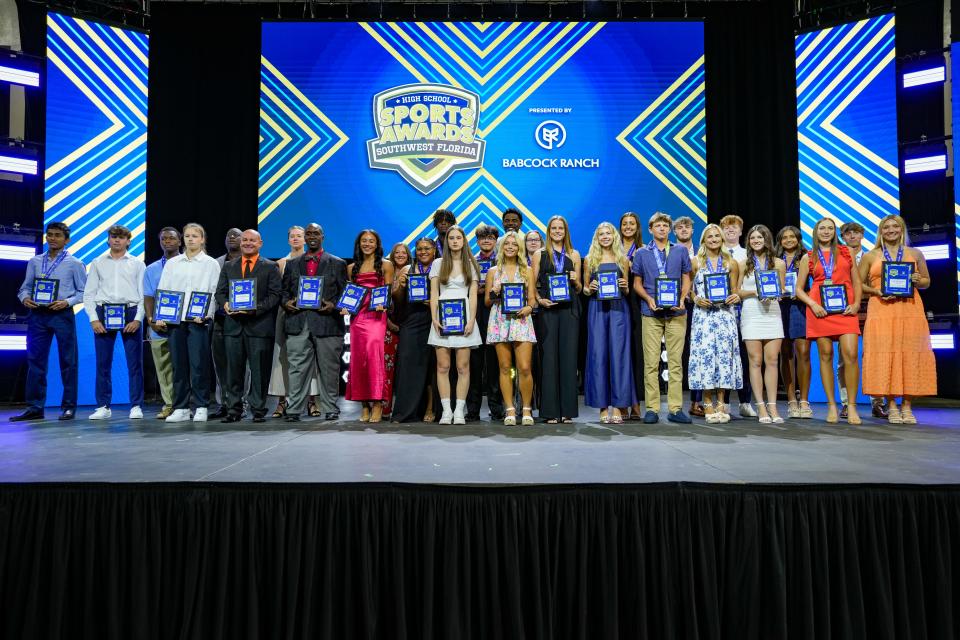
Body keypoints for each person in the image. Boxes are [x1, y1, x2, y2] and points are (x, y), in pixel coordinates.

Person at [859, 215, 936, 424]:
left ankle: (907, 406)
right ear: (881, 231)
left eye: (895, 226)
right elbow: (857, 285)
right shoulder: (870, 255)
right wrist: (877, 291)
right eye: (886, 227)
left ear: (902, 230)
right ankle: (891, 405)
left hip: (910, 310)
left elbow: (927, 281)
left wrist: (919, 280)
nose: (891, 230)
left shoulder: (915, 253)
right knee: (887, 355)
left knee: (910, 354)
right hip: (881, 310)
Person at [11, 222, 86, 422]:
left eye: (57, 235)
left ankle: (69, 407)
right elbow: (24, 288)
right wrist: (25, 298)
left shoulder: (75, 263)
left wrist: (66, 302)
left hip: (62, 314)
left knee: (68, 362)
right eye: (50, 235)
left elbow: (83, 292)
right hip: (38, 315)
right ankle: (35, 407)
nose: (52, 238)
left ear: (66, 239)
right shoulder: (35, 261)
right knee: (35, 361)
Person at [794, 217, 863, 424]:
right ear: (816, 232)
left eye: (830, 228)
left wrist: (857, 303)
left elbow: (857, 282)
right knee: (825, 355)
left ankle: (851, 406)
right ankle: (831, 405)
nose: (826, 232)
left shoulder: (846, 252)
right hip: (820, 310)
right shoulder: (809, 256)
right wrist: (813, 305)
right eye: (822, 228)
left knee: (851, 354)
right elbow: (798, 289)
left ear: (835, 232)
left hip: (845, 310)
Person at [280, 223, 347, 422]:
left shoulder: (337, 263)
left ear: (322, 237)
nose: (311, 236)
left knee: (329, 369)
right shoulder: (292, 264)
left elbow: (344, 294)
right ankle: (294, 410)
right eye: (308, 233)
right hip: (298, 321)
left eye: (315, 233)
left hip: (327, 323)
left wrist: (333, 306)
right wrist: (287, 303)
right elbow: (283, 292)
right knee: (297, 368)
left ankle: (330, 408)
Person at [214, 229, 282, 423]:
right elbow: (220, 293)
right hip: (233, 327)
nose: (247, 243)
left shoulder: (270, 266)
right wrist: (226, 304)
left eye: (252, 240)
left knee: (260, 371)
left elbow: (275, 296)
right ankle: (234, 409)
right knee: (233, 372)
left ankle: (258, 409)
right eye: (245, 240)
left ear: (260, 243)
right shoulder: (229, 266)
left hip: (259, 327)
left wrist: (254, 310)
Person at [156, 223, 221, 423]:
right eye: (187, 236)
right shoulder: (173, 263)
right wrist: (160, 314)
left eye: (195, 236)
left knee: (199, 364)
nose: (190, 239)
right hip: (176, 320)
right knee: (178, 365)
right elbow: (163, 289)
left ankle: (201, 405)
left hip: (198, 320)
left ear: (202, 239)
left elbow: (213, 292)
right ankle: (181, 407)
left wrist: (207, 315)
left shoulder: (211, 264)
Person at [633, 212, 693, 424]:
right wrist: (648, 299)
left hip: (677, 312)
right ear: (651, 229)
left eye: (665, 226)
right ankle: (652, 408)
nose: (662, 229)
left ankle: (676, 408)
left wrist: (683, 297)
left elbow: (687, 277)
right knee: (651, 362)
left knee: (675, 362)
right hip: (651, 312)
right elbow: (636, 283)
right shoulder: (642, 253)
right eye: (658, 226)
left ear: (669, 229)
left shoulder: (680, 251)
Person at [83, 225, 146, 420]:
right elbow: (89, 294)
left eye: (121, 237)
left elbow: (144, 294)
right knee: (103, 363)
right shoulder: (97, 262)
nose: (117, 240)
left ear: (128, 240)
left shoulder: (137, 264)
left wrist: (137, 319)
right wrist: (94, 319)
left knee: (134, 364)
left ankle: (136, 405)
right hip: (104, 311)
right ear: (108, 240)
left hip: (130, 311)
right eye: (113, 237)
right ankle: (103, 406)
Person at [688, 224, 742, 423]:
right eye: (709, 237)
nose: (713, 240)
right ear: (703, 240)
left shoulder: (732, 263)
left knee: (724, 358)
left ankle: (722, 402)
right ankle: (707, 400)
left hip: (724, 316)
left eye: (716, 236)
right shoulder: (695, 262)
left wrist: (735, 297)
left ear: (722, 239)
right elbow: (689, 290)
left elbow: (735, 290)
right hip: (703, 317)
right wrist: (695, 299)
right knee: (706, 358)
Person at [428, 225, 482, 424]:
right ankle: (446, 411)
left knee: (463, 366)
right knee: (443, 366)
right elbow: (434, 293)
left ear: (464, 240)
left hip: (465, 316)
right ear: (447, 241)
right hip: (442, 318)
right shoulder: (438, 263)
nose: (455, 241)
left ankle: (459, 410)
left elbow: (473, 295)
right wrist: (434, 317)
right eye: (451, 238)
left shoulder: (471, 263)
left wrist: (471, 320)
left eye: (458, 237)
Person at [583, 222, 635, 423]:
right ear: (597, 237)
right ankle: (603, 407)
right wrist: (591, 287)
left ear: (614, 236)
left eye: (608, 233)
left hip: (618, 310)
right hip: (597, 309)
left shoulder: (624, 260)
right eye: (601, 234)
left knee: (619, 356)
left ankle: (620, 406)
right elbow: (586, 290)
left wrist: (624, 286)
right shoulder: (590, 260)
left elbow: (628, 290)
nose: (605, 236)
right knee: (599, 356)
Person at [532, 215, 582, 424]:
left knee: (569, 359)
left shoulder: (574, 254)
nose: (557, 231)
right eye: (554, 228)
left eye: (561, 228)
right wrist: (539, 300)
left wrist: (575, 281)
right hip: (548, 311)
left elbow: (579, 288)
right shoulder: (539, 254)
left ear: (566, 231)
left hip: (569, 311)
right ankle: (550, 411)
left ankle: (567, 411)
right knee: (549, 359)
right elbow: (532, 284)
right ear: (549, 231)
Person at [268, 226, 321, 418]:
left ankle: (312, 401)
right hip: (287, 314)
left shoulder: (314, 261)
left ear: (305, 239)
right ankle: (282, 402)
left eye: (300, 236)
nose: (296, 239)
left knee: (310, 357)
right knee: (283, 358)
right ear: (288, 240)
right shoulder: (281, 263)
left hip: (311, 314)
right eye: (293, 236)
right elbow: (278, 291)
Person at [484, 231, 537, 425]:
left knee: (524, 367)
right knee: (505, 367)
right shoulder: (492, 272)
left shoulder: (527, 271)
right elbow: (487, 302)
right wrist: (494, 291)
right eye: (507, 244)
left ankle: (527, 409)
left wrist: (529, 308)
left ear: (519, 248)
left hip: (521, 319)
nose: (510, 247)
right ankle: (509, 410)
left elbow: (532, 298)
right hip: (500, 320)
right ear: (501, 247)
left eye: (514, 244)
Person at [344, 230, 394, 423]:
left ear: (377, 244)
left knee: (374, 357)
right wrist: (346, 308)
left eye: (371, 241)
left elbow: (387, 292)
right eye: (364, 241)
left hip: (377, 316)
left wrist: (385, 304)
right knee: (358, 361)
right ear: (359, 244)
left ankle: (378, 404)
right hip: (358, 318)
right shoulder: (351, 268)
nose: (367, 244)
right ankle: (364, 404)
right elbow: (351, 294)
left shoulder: (385, 265)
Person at [736, 225, 786, 424]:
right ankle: (761, 407)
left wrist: (775, 294)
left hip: (772, 313)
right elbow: (736, 291)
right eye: (752, 238)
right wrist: (755, 292)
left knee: (772, 360)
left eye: (760, 237)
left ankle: (773, 405)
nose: (756, 241)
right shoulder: (742, 264)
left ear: (767, 239)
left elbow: (781, 289)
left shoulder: (779, 264)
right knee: (755, 361)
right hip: (751, 313)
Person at [839, 221, 887, 419]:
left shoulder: (873, 257)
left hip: (873, 308)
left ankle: (878, 403)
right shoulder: (836, 257)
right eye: (848, 233)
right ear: (843, 237)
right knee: (844, 360)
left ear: (862, 235)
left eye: (856, 233)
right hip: (846, 310)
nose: (852, 236)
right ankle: (845, 403)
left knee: (875, 356)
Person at [391, 238, 438, 422]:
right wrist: (400, 287)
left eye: (427, 248)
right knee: (408, 364)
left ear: (434, 250)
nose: (423, 252)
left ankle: (431, 408)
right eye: (419, 249)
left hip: (434, 319)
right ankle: (406, 411)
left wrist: (433, 302)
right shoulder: (407, 270)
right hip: (411, 320)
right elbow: (398, 301)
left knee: (433, 367)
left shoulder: (440, 268)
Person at [719, 214, 757, 418]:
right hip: (721, 312)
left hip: (746, 312)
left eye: (734, 227)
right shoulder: (715, 253)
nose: (730, 230)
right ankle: (723, 403)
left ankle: (745, 401)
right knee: (724, 358)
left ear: (742, 231)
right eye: (726, 227)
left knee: (745, 357)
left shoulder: (748, 255)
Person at [143, 227, 182, 419]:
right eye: (163, 239)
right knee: (164, 369)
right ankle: (169, 404)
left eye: (171, 238)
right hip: (159, 326)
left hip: (183, 325)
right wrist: (151, 320)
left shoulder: (188, 264)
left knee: (184, 366)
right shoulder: (151, 269)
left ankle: (184, 404)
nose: (167, 242)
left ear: (180, 241)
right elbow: (148, 296)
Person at [775, 226, 813, 419]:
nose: (788, 240)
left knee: (804, 352)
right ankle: (791, 400)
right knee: (786, 353)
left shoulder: (807, 257)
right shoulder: (775, 259)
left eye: (792, 237)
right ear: (780, 241)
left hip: (800, 307)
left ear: (798, 239)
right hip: (780, 307)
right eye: (784, 237)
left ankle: (804, 400)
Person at [468, 224, 504, 422]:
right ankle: (472, 409)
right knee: (474, 364)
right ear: (478, 241)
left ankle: (496, 408)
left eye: (490, 238)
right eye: (483, 238)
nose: (487, 241)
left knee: (494, 364)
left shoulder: (501, 262)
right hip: (476, 314)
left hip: (495, 313)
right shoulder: (470, 261)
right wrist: (476, 290)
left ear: (495, 240)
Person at [210, 228, 242, 419]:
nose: (231, 237)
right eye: (228, 235)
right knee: (220, 364)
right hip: (220, 319)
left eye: (236, 235)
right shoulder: (216, 263)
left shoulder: (250, 262)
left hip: (241, 320)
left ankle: (240, 403)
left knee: (240, 366)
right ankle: (224, 403)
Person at [673, 216, 703, 418]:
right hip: (675, 307)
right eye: (679, 227)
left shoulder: (702, 253)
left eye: (687, 226)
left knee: (698, 354)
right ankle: (675, 405)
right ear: (674, 232)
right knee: (677, 357)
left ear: (693, 230)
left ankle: (697, 401)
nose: (684, 229)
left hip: (701, 308)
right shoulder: (669, 251)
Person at [619, 211, 645, 420]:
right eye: (625, 224)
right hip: (617, 303)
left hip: (637, 305)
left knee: (636, 355)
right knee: (620, 355)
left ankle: (636, 402)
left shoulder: (644, 251)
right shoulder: (612, 250)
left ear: (637, 227)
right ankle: (622, 403)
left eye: (632, 224)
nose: (628, 227)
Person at [383, 242, 411, 418]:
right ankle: (385, 408)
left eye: (404, 252)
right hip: (388, 326)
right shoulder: (385, 272)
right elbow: (378, 299)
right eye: (397, 252)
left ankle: (405, 407)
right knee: (387, 369)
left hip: (408, 325)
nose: (400, 255)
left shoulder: (414, 272)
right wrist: (387, 322)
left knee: (405, 369)